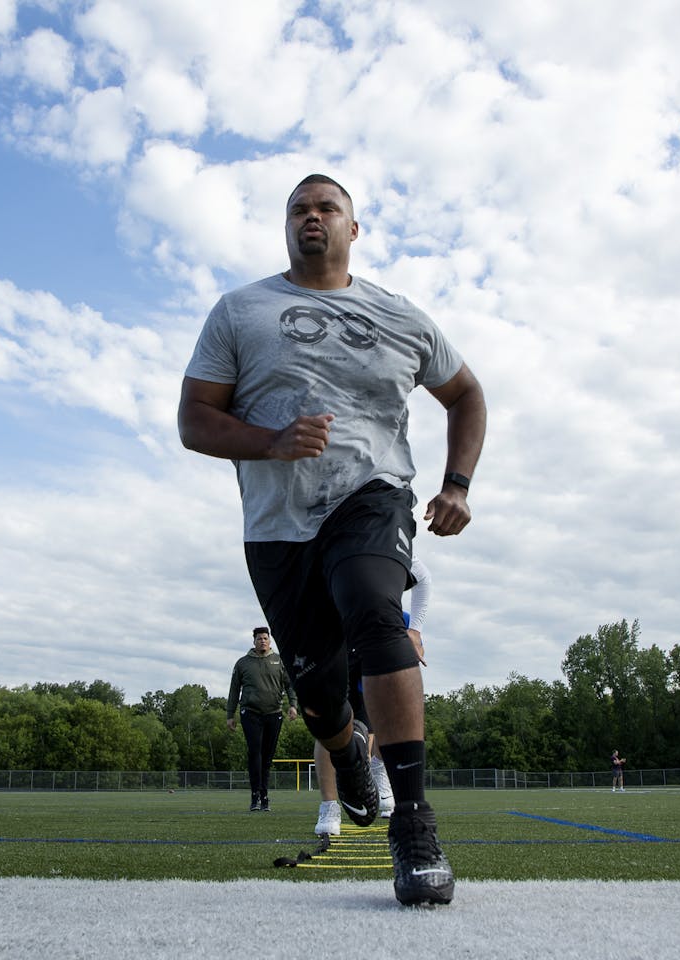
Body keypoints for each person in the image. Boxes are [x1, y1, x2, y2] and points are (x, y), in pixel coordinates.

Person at [179, 174, 485, 906]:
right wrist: (271, 440)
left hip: (372, 495)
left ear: (353, 228)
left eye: (326, 208)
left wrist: (457, 484)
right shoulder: (241, 311)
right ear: (287, 227)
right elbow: (194, 420)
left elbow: (467, 393)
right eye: (298, 210)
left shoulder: (399, 316)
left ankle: (412, 823)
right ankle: (347, 756)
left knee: (378, 616)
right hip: (278, 526)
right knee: (317, 694)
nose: (311, 218)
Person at [314, 556, 432, 836]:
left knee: (382, 719)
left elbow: (422, 576)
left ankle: (381, 776)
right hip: (334, 635)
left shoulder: (380, 540)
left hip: (377, 631)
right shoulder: (319, 543)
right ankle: (329, 805)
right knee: (327, 721)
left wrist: (415, 630)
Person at [226, 626, 298, 812]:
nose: (262, 641)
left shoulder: (279, 661)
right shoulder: (243, 663)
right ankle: (254, 796)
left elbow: (290, 685)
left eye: (265, 638)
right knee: (254, 753)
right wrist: (230, 715)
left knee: (267, 757)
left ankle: (265, 796)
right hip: (250, 713)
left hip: (274, 713)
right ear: (254, 641)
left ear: (270, 640)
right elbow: (234, 690)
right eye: (259, 638)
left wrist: (292, 705)